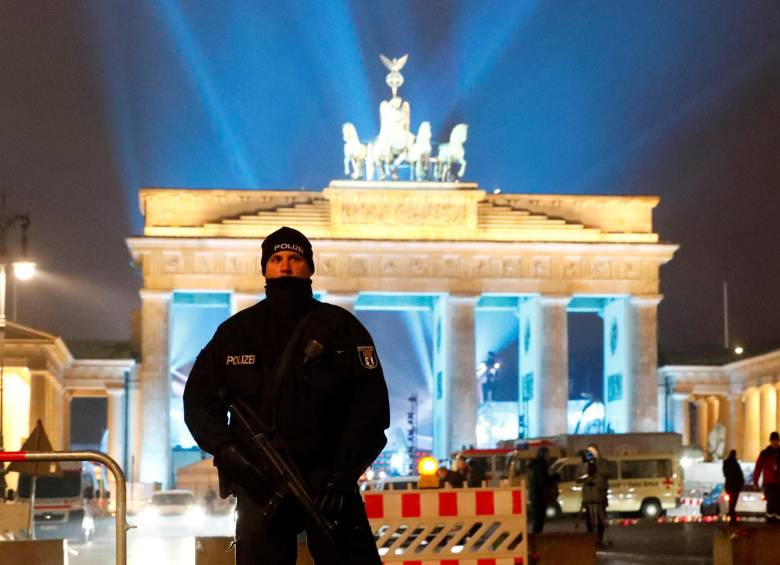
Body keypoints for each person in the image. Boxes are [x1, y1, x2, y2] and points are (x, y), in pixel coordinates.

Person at [183, 226, 390, 565]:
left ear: (309, 267)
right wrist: (228, 451)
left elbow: (370, 409)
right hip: (259, 484)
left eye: (295, 258)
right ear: (265, 267)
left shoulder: (341, 328)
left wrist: (342, 476)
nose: (286, 266)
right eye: (277, 259)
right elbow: (198, 402)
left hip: (327, 486)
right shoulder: (235, 333)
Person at [576, 444, 609, 545]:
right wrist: (586, 476)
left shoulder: (604, 462)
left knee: (600, 519)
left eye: (592, 451)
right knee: (589, 520)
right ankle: (591, 538)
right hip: (588, 495)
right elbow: (577, 478)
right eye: (588, 451)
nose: (590, 453)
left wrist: (596, 467)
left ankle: (600, 537)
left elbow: (607, 474)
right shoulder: (583, 464)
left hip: (599, 495)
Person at [528, 446, 559, 534]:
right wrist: (554, 478)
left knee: (537, 519)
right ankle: (536, 539)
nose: (548, 457)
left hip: (535, 495)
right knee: (539, 520)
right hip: (539, 496)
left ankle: (535, 538)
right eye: (547, 455)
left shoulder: (534, 465)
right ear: (544, 455)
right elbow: (543, 481)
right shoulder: (541, 465)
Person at [753, 431, 780, 524]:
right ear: (770, 441)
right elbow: (758, 468)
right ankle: (770, 518)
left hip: (778, 482)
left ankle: (777, 519)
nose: (775, 442)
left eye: (776, 440)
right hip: (769, 482)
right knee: (771, 501)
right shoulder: (764, 454)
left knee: (778, 502)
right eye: (773, 440)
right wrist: (755, 482)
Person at [722, 449, 744, 524]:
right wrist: (741, 484)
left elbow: (725, 474)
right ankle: (732, 516)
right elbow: (740, 475)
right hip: (735, 486)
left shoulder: (726, 463)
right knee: (733, 502)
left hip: (729, 485)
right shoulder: (736, 464)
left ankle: (732, 515)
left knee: (731, 502)